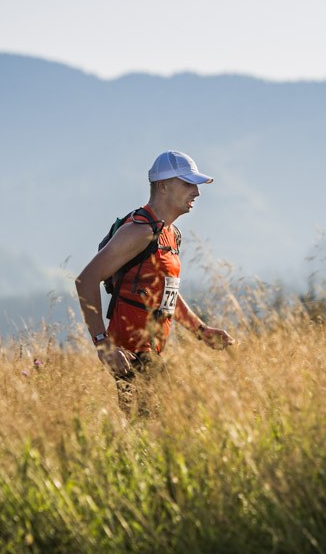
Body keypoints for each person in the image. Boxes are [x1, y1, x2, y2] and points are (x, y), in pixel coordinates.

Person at [75, 151, 235, 414]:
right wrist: (103, 344)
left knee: (151, 436)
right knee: (175, 422)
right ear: (163, 186)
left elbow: (167, 293)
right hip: (130, 356)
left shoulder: (171, 235)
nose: (196, 192)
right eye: (187, 183)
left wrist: (202, 331)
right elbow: (86, 281)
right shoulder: (139, 231)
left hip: (149, 353)